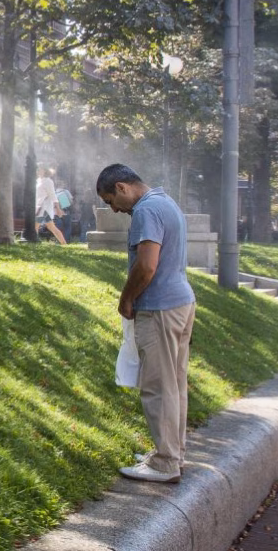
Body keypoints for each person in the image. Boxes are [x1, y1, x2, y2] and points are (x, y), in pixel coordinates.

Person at [97, 163, 196, 484]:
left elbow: (147, 265)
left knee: (157, 387)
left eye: (111, 200)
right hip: (180, 302)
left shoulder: (145, 210)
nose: (113, 208)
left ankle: (166, 463)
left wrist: (126, 299)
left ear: (122, 188)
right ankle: (173, 452)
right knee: (175, 384)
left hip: (158, 308)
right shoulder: (165, 202)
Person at [35, 167, 67, 244]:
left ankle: (32, 243)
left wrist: (58, 208)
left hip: (43, 208)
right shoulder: (38, 180)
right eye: (37, 169)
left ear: (44, 170)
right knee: (52, 227)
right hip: (39, 207)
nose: (38, 171)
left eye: (40, 169)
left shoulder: (48, 181)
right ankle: (64, 244)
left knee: (34, 227)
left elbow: (53, 195)